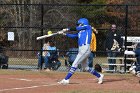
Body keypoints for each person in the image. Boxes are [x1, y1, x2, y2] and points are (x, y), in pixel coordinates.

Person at [57, 18, 104, 85]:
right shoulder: (80, 32)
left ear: (83, 23)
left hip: (85, 48)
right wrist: (64, 34)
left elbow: (76, 28)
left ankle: (66, 79)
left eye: (79, 24)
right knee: (85, 67)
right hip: (81, 49)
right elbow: (73, 36)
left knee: (74, 64)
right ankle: (99, 76)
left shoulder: (88, 27)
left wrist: (67, 29)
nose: (78, 25)